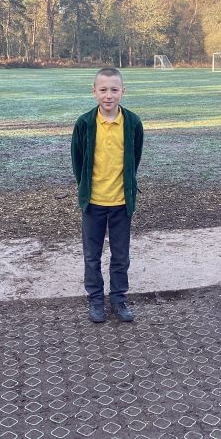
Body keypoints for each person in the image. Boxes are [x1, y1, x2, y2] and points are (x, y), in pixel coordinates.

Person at [71, 67, 143, 323]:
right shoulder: (84, 123)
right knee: (92, 255)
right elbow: (78, 161)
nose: (108, 95)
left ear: (123, 91)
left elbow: (135, 157)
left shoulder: (133, 123)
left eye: (114, 90)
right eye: (103, 90)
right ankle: (95, 300)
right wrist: (86, 190)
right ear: (94, 92)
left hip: (122, 203)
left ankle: (119, 299)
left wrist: (127, 188)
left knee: (120, 255)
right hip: (93, 203)